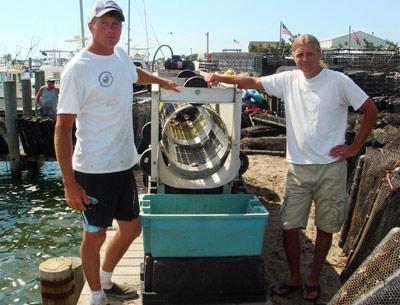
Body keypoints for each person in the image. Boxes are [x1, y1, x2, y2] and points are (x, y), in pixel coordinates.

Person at [205, 34, 378, 301]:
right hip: (297, 168)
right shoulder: (288, 80)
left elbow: (370, 110)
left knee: (325, 226)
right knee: (289, 225)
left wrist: (354, 147)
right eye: (300, 55)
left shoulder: (338, 81)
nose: (305, 59)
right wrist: (221, 78)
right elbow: (252, 82)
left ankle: (313, 278)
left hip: (331, 168)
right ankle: (295, 276)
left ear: (320, 54)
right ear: (293, 57)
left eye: (310, 54)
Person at [54, 1, 179, 305]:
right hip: (93, 169)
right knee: (95, 235)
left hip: (124, 163)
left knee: (132, 229)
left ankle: (107, 280)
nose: (111, 30)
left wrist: (163, 81)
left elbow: (134, 73)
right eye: (105, 23)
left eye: (116, 24)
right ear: (91, 26)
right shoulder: (77, 69)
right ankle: (96, 297)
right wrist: (69, 183)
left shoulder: (120, 56)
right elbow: (62, 128)